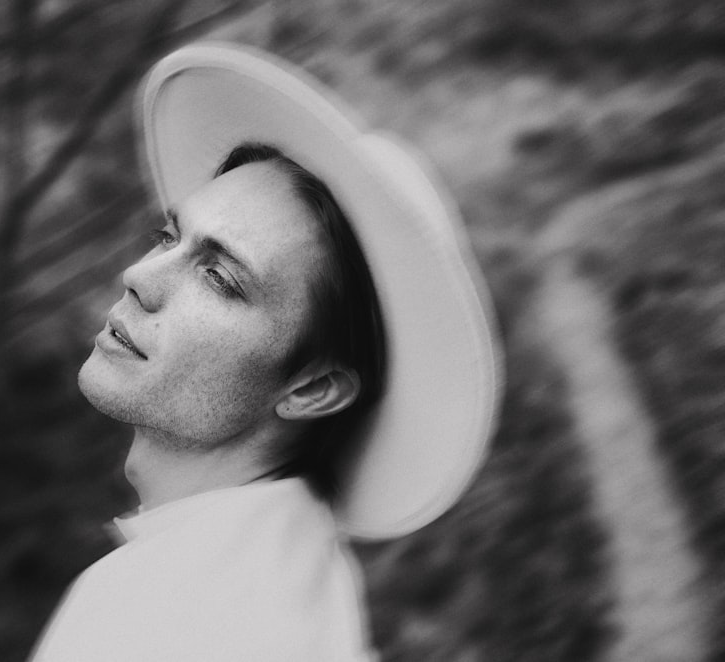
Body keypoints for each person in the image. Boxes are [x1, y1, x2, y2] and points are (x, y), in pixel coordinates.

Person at [28, 42, 502, 662]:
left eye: (220, 278)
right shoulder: (272, 579)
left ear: (311, 389)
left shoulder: (173, 619)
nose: (139, 276)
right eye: (168, 237)